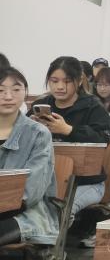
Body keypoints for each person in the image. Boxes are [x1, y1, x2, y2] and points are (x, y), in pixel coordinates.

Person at [31, 57, 110, 222]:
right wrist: (31, 127)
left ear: (79, 81)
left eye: (67, 81)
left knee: (58, 209)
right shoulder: (42, 104)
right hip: (45, 180)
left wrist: (68, 130)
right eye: (54, 81)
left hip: (86, 183)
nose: (60, 86)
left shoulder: (93, 106)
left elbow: (103, 138)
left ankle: (56, 239)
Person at [0, 67, 58, 247]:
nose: (8, 96)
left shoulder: (38, 133)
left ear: (25, 92)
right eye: (1, 90)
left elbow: (31, 191)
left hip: (25, 213)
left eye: (16, 89)